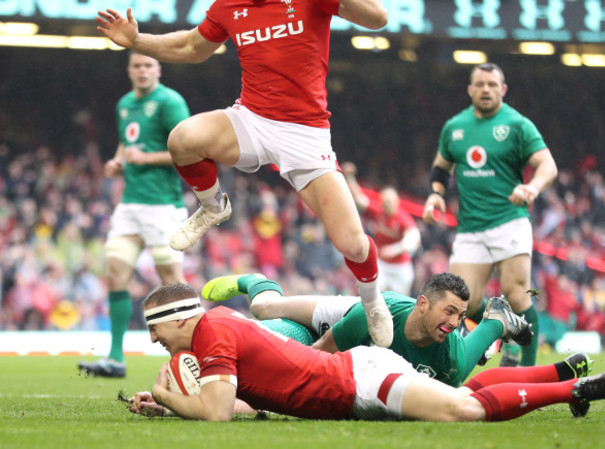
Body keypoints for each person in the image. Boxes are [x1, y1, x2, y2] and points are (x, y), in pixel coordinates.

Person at [95, 3, 394, 348]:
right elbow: (192, 47)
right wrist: (136, 40)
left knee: (353, 244)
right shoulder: (228, 5)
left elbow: (378, 18)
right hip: (251, 118)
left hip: (305, 132)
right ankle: (212, 206)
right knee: (183, 139)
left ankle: (372, 300)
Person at [127, 283, 605, 422]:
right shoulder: (218, 327)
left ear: (177, 318)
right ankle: (564, 374)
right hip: (356, 374)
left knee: (462, 411)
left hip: (358, 380)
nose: (153, 341)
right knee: (462, 389)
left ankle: (571, 389)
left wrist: (168, 397)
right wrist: (171, 408)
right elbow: (238, 404)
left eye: (155, 329)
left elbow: (216, 415)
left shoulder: (213, 331)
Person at [422, 62, 558, 367]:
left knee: (516, 293)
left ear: (503, 90)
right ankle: (501, 325)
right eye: (480, 84)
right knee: (459, 302)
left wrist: (532, 188)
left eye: (492, 85)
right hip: (470, 229)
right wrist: (436, 194)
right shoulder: (455, 127)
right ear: (470, 89)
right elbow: (441, 168)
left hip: (509, 220)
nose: (486, 89)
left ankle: (527, 367)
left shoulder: (517, 125)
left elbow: (547, 165)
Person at [202, 272, 534, 387]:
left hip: (385, 333)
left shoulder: (451, 360)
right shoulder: (370, 316)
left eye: (460, 316)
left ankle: (499, 318)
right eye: (449, 311)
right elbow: (318, 354)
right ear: (422, 304)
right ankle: (256, 281)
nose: (454, 322)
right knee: (264, 309)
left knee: (469, 356)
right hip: (347, 317)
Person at [78, 52, 191, 378]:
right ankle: (115, 358)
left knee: (171, 282)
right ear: (129, 71)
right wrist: (117, 161)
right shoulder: (125, 103)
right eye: (137, 66)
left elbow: (186, 151)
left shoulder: (170, 102)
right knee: (115, 273)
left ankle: (191, 355)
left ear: (158, 69)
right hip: (130, 204)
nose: (142, 71)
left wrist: (144, 159)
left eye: (148, 66)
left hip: (162, 204)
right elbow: (125, 144)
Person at [342, 162, 421, 295]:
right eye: (384, 201)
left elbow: (414, 238)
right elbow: (360, 199)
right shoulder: (379, 211)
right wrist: (350, 178)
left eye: (390, 201)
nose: (386, 204)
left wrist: (396, 249)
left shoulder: (402, 218)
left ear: (396, 201)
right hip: (382, 264)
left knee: (399, 302)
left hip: (400, 267)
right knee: (375, 295)